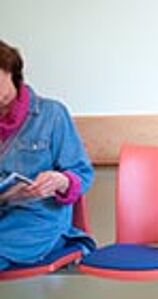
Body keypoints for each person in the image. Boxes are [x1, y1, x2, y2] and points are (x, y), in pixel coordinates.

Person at [0, 40, 94, 270]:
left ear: (11, 71)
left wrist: (61, 181)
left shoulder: (52, 114)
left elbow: (82, 174)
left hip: (37, 221)